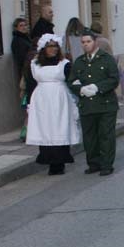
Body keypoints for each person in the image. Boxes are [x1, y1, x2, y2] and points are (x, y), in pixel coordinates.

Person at [26, 34, 81, 175]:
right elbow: (30, 83)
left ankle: (59, 162)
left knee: (59, 127)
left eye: (55, 46)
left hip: (59, 98)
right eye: (50, 46)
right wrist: (29, 103)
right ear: (44, 48)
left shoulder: (64, 63)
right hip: (41, 99)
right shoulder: (35, 64)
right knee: (45, 128)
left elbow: (72, 80)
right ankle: (48, 160)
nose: (53, 49)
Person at [67, 30, 120, 176]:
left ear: (95, 42)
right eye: (83, 42)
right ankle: (93, 163)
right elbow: (71, 81)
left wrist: (97, 87)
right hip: (87, 106)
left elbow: (114, 79)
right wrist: (81, 89)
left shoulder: (106, 59)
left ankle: (106, 164)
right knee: (90, 137)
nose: (85, 45)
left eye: (88, 41)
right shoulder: (79, 62)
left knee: (105, 135)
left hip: (106, 104)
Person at [11, 18, 32, 140]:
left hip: (28, 73)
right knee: (28, 104)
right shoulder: (18, 41)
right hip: (26, 75)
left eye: (25, 25)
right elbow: (21, 60)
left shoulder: (25, 39)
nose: (24, 27)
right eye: (21, 25)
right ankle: (25, 131)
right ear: (16, 28)